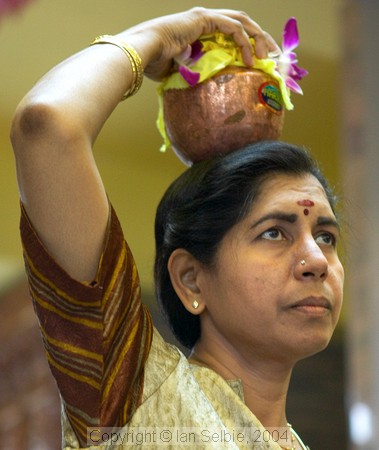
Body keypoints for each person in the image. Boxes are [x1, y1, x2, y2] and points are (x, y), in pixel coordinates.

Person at [10, 7, 344, 450]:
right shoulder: (136, 392)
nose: (318, 261)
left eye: (326, 236)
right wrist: (157, 36)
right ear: (190, 278)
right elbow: (46, 127)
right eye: (274, 233)